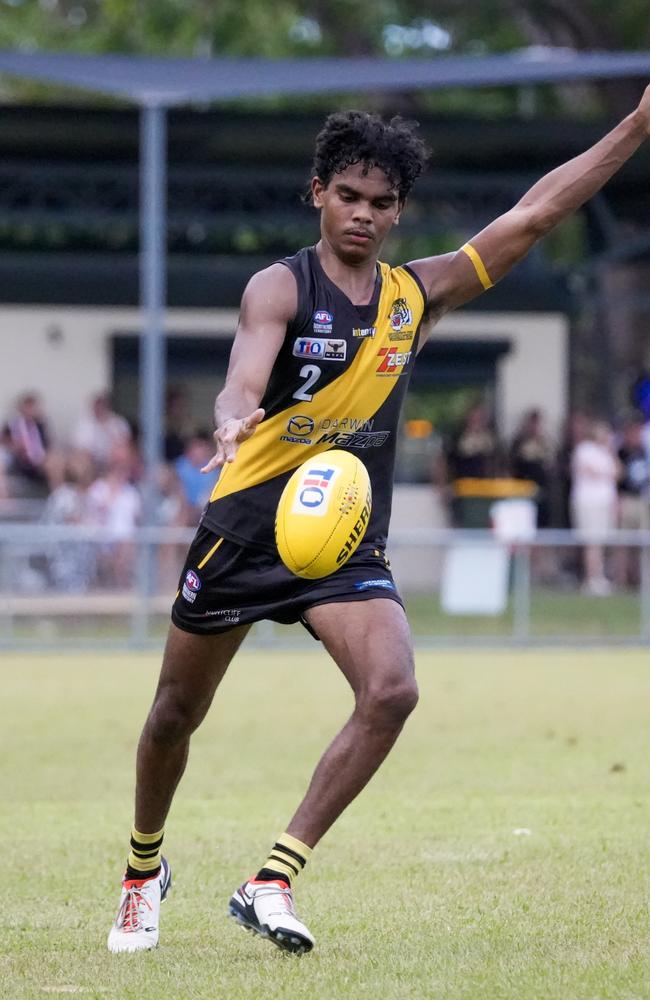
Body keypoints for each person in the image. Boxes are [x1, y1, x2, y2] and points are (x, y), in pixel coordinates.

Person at [108, 89, 650, 955]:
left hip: (342, 533)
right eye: (349, 196)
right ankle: (142, 872)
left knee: (393, 689)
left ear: (399, 211)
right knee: (174, 713)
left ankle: (271, 880)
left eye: (382, 202)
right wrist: (233, 412)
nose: (364, 215)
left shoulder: (416, 296)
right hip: (246, 525)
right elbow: (245, 367)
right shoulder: (280, 283)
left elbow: (539, 212)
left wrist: (638, 123)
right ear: (316, 192)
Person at [570, 419, 619, 595]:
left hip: (605, 502)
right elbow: (591, 471)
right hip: (588, 502)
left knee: (602, 541)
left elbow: (618, 473)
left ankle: (599, 576)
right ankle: (592, 579)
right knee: (592, 542)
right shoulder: (584, 449)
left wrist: (610, 451)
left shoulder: (606, 453)